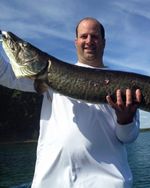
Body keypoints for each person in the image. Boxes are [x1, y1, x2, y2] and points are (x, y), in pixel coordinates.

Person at [0, 17, 141, 188]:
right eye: (84, 36)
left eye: (94, 36)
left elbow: (128, 137)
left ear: (104, 42)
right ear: (76, 42)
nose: (89, 41)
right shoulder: (44, 75)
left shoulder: (123, 85)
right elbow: (5, 74)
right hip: (51, 182)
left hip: (107, 182)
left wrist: (125, 120)